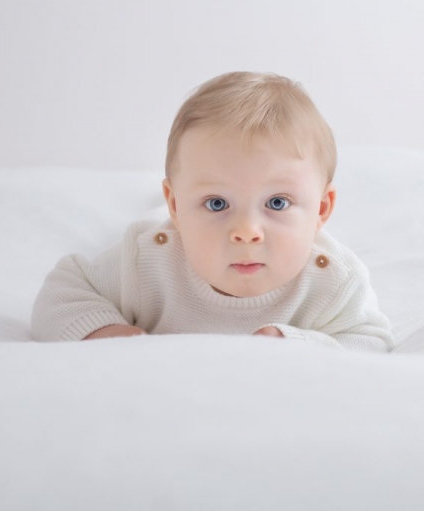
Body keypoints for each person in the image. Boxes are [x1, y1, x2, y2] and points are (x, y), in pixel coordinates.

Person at [31, 71, 394, 352]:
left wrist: (300, 345)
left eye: (277, 203)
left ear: (321, 210)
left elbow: (370, 341)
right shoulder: (147, 261)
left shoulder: (333, 281)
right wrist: (106, 332)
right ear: (176, 206)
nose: (246, 231)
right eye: (217, 203)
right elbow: (62, 292)